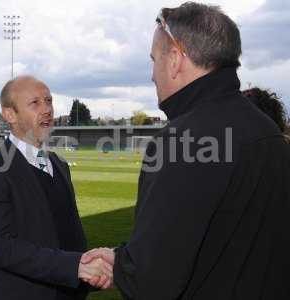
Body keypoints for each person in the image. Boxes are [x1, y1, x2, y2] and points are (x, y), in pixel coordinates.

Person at [82, 2, 290, 299]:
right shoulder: (267, 130)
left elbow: (153, 278)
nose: (152, 74)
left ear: (176, 59)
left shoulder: (182, 140)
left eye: (154, 60)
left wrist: (122, 268)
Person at [0, 76, 112, 300]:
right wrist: (75, 267)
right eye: (35, 103)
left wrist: (88, 270)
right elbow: (2, 248)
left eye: (49, 101)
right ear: (10, 115)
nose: (47, 110)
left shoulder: (60, 165)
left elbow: (69, 234)